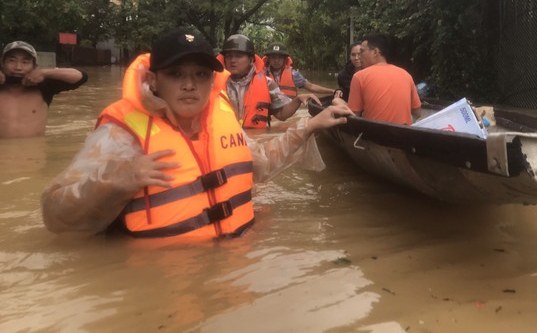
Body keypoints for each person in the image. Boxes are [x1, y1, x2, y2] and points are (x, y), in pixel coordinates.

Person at [41, 27, 353, 239]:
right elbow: (53, 214)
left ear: (212, 79)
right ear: (153, 79)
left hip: (235, 273)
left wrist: (310, 125)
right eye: (176, 74)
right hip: (163, 281)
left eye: (200, 75)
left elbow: (260, 162)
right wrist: (113, 180)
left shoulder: (221, 116)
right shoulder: (121, 133)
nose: (190, 84)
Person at [217, 35, 321, 128]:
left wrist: (298, 99)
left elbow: (281, 114)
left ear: (251, 59)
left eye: (238, 56)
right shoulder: (212, 83)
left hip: (255, 140)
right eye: (229, 56)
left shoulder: (267, 83)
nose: (233, 60)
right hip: (224, 141)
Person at [0, 40, 88, 138]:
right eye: (12, 61)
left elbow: (80, 76)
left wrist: (44, 73)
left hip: (33, 150)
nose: (18, 67)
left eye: (25, 62)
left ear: (34, 67)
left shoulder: (44, 86)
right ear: (2, 63)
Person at [347, 33, 421, 125]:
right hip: (405, 136)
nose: (359, 57)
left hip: (375, 136)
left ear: (375, 52)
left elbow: (353, 117)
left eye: (362, 52)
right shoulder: (406, 75)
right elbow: (418, 113)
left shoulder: (359, 77)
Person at [263, 42, 335, 98]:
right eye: (273, 57)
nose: (276, 61)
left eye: (279, 58)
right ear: (268, 59)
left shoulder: (293, 74)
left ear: (285, 59)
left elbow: (311, 86)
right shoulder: (262, 74)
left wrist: (332, 91)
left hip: (287, 109)